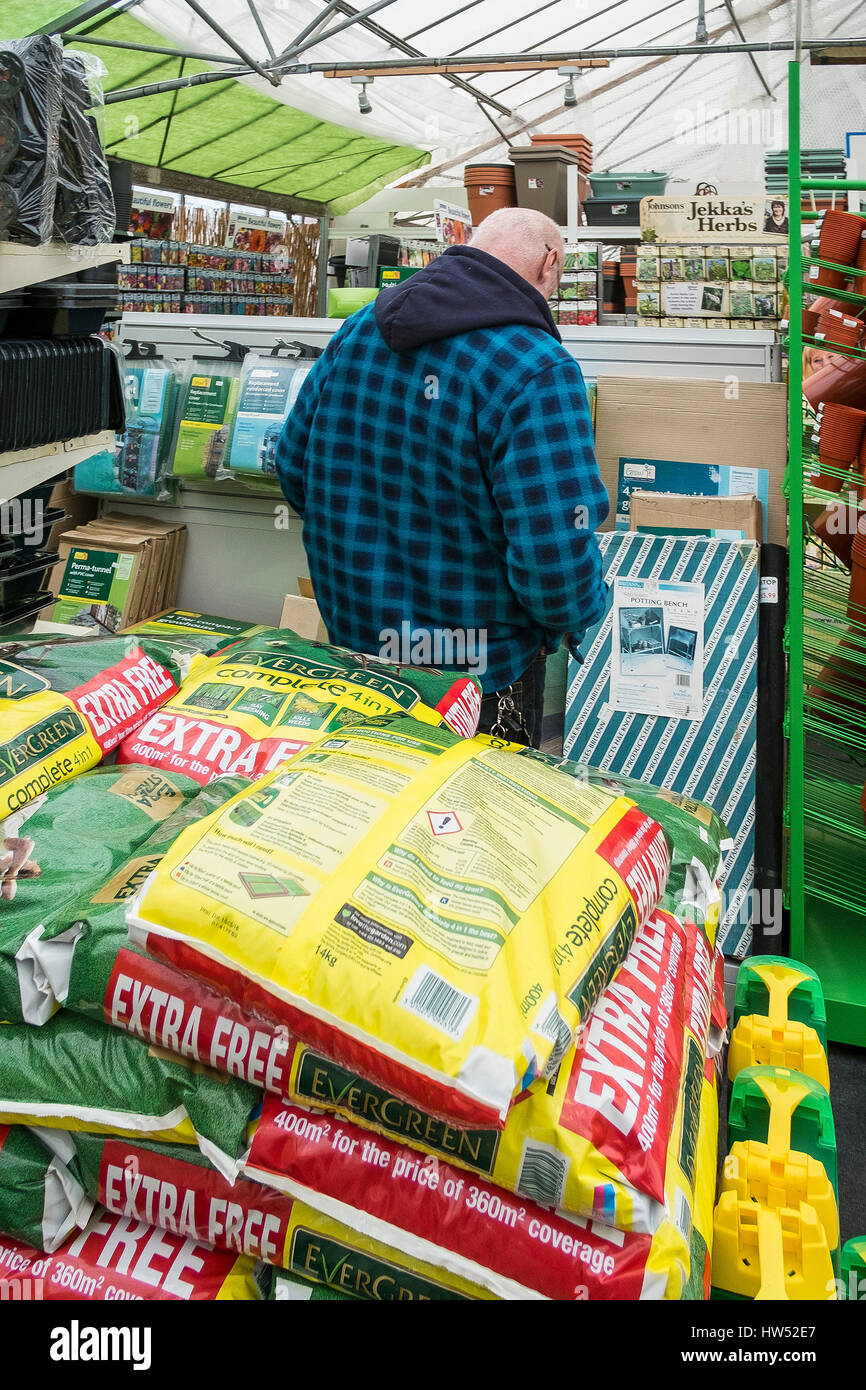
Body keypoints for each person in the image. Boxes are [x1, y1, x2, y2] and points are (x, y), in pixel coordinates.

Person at [275, 206, 609, 748]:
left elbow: (293, 468)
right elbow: (555, 560)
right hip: (478, 678)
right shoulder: (537, 367)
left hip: (356, 651)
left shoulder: (360, 329)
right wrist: (585, 610)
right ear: (549, 264)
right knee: (466, 823)